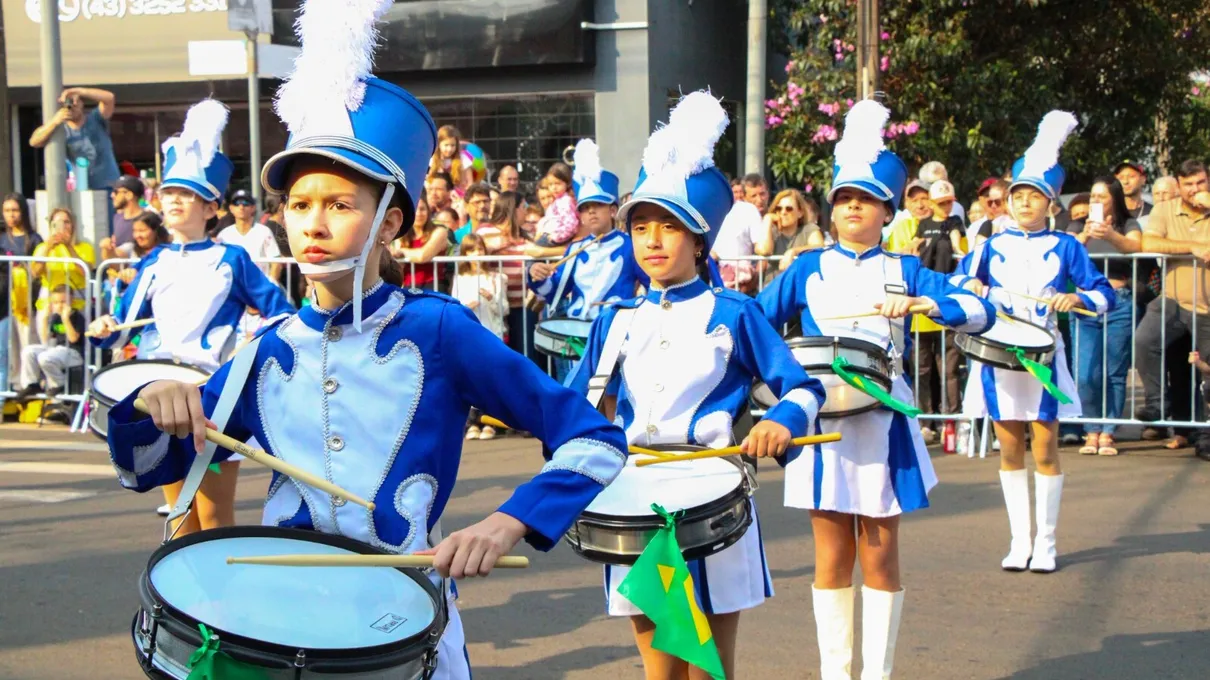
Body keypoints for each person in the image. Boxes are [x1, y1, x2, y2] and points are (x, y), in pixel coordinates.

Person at [106, 5, 628, 676]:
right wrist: (151, 399)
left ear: (391, 225)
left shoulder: (438, 329)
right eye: (298, 205)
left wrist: (506, 522)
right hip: (287, 624)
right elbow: (144, 466)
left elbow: (594, 438)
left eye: (340, 204)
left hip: (408, 626)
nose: (312, 223)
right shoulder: (266, 349)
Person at [567, 91, 824, 680]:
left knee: (709, 668)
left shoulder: (734, 313)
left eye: (669, 228)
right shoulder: (615, 318)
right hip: (635, 499)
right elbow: (575, 403)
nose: (652, 241)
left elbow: (803, 387)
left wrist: (779, 422)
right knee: (661, 669)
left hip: (712, 498)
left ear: (701, 240)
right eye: (641, 227)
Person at [757, 101, 995, 680]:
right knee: (831, 549)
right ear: (831, 210)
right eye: (844, 199)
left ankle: (877, 675)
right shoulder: (806, 268)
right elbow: (754, 323)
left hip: (883, 423)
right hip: (821, 424)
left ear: (887, 211)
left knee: (881, 551)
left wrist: (925, 303)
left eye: (866, 199)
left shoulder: (904, 268)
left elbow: (980, 308)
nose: (854, 208)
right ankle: (836, 673)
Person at [89, 98, 295, 536]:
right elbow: (120, 321)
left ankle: (221, 602)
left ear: (211, 208)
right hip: (159, 398)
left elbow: (283, 315)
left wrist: (250, 343)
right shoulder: (154, 262)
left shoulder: (231, 258)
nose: (175, 201)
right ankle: (183, 603)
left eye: (187, 195)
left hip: (211, 397)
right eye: (169, 193)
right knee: (180, 515)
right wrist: (103, 328)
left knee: (216, 517)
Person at [954, 111, 1116, 573]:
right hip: (998, 358)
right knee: (1009, 450)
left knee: (1044, 449)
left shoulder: (1068, 246)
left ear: (1051, 204)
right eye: (1017, 196)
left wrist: (1075, 296)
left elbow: (1103, 294)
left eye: (1035, 197)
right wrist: (973, 288)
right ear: (1007, 202)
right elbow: (957, 283)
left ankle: (1046, 543)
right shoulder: (988, 245)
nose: (1025, 204)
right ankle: (1018, 540)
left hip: (1043, 358)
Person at [528, 140, 645, 381]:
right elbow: (555, 292)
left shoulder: (630, 245)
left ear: (613, 210)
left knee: (610, 393)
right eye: (586, 207)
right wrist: (536, 275)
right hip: (577, 334)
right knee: (578, 391)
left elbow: (652, 285)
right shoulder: (576, 248)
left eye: (598, 206)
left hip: (614, 332)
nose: (591, 212)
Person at [1132, 159, 1210, 462]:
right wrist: (1191, 246)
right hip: (1174, 300)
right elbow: (1150, 241)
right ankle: (1157, 402)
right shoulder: (1166, 209)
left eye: (1200, 182)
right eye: (1188, 184)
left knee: (1208, 374)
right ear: (1178, 185)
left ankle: (1205, 436)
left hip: (1207, 307)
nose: (1194, 190)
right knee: (1144, 340)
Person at [1068, 176, 1142, 456]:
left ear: (1115, 198)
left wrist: (1110, 234)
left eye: (1102, 197)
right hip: (1086, 302)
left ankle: (1108, 431)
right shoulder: (1078, 224)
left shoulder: (1127, 223)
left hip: (1119, 302)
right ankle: (1090, 429)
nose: (1096, 202)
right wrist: (1087, 234)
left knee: (1114, 371)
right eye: (1093, 197)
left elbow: (1136, 247)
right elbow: (1067, 252)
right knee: (1085, 372)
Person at [29, 87, 120, 190]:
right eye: (69, 105)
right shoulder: (61, 130)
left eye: (75, 103)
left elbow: (109, 98)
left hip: (108, 185)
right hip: (81, 187)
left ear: (81, 103)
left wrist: (79, 91)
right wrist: (54, 121)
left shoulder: (95, 118)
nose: (72, 107)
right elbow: (34, 141)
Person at [1, 194, 43, 405]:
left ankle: (29, 388)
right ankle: (11, 388)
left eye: (15, 210)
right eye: (7, 210)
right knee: (9, 347)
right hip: (5, 302)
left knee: (28, 344)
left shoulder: (34, 239)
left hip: (27, 303)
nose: (11, 215)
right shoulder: (2, 238)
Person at [14, 285, 84, 402]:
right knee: (29, 351)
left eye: (63, 302)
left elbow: (73, 339)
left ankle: (60, 384)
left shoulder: (76, 316)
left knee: (45, 357)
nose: (59, 305)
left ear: (71, 301)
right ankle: (32, 384)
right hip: (58, 350)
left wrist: (65, 319)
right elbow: (46, 339)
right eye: (55, 302)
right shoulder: (55, 317)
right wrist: (45, 318)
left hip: (74, 353)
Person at [31, 208, 96, 314]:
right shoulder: (42, 248)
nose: (63, 226)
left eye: (67, 222)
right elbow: (35, 272)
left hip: (76, 301)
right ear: (51, 226)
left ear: (73, 226)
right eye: (57, 223)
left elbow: (86, 272)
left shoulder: (85, 247)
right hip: (49, 301)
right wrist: (48, 248)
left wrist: (69, 247)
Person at [392, 188, 450, 290]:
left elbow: (423, 256)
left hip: (433, 287)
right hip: (408, 287)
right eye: (415, 209)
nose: (419, 213)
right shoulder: (402, 234)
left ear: (428, 211)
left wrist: (402, 252)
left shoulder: (440, 231)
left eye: (422, 209)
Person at [756, 188, 824, 275]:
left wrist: (793, 251)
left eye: (789, 209)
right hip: (773, 286)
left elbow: (819, 246)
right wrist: (767, 219)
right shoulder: (770, 231)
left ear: (800, 213)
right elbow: (763, 250)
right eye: (779, 208)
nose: (783, 212)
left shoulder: (808, 229)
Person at [533, 163, 579, 247]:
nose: (554, 188)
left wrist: (556, 237)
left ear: (567, 183)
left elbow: (571, 224)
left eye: (557, 183)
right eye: (550, 184)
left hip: (555, 237)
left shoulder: (565, 201)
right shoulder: (558, 201)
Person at [104, 175, 147, 256]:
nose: (112, 195)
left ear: (129, 195)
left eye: (116, 192)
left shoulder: (149, 218)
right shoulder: (117, 217)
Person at [428, 124, 473, 196]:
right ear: (439, 144)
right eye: (446, 145)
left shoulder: (463, 159)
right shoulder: (432, 159)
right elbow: (428, 181)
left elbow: (470, 183)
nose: (449, 149)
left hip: (458, 197)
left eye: (452, 145)